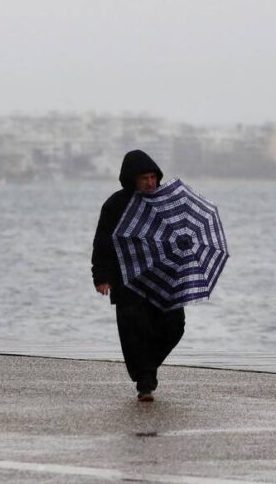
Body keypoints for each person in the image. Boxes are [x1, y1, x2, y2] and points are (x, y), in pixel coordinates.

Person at [91, 150, 186, 402]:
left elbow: (180, 235)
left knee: (175, 327)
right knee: (135, 331)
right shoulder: (115, 205)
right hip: (128, 280)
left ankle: (147, 368)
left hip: (164, 278)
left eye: (154, 177)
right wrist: (101, 276)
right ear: (132, 179)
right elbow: (102, 243)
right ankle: (145, 382)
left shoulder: (166, 202)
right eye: (145, 178)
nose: (151, 183)